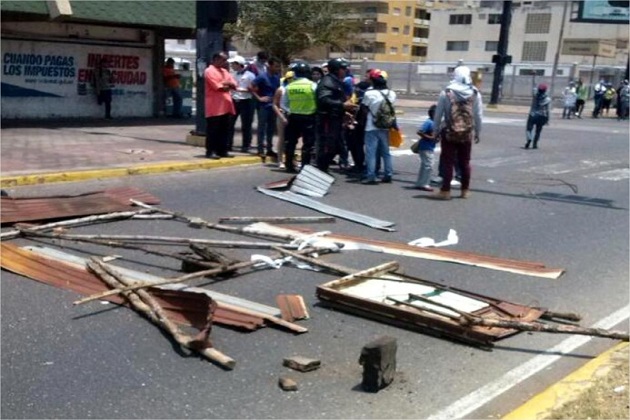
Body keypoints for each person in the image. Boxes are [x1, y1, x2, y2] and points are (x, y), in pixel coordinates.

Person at [431, 66, 483, 200]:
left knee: (448, 161)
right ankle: (465, 190)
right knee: (465, 162)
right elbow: (478, 115)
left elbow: (438, 114)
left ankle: (445, 191)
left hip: (449, 131)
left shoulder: (446, 92)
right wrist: (478, 131)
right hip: (466, 132)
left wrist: (435, 131)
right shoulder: (475, 93)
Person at [315, 57, 357, 173]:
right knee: (326, 147)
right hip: (327, 120)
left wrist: (345, 112)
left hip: (335, 119)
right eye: (343, 68)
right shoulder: (327, 82)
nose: (346, 70)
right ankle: (321, 171)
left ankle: (323, 170)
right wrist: (342, 105)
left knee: (335, 146)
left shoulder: (336, 81)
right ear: (336, 69)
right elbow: (324, 99)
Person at [360, 69, 396, 185]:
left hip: (371, 126)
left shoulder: (369, 94)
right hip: (386, 126)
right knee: (386, 152)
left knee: (371, 152)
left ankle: (371, 176)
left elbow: (363, 109)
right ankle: (388, 174)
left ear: (373, 81)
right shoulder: (392, 94)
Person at [281, 62, 317, 173]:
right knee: (308, 144)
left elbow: (283, 104)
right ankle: (304, 166)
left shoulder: (290, 86)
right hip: (309, 118)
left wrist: (291, 111)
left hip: (293, 117)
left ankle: (289, 165)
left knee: (291, 142)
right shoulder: (313, 85)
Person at [203, 51, 237, 159]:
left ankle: (222, 150)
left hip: (226, 105)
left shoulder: (225, 71)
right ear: (216, 59)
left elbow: (234, 84)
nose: (225, 62)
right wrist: (226, 84)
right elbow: (218, 86)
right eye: (223, 60)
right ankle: (210, 151)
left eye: (225, 60)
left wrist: (227, 84)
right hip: (214, 106)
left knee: (224, 129)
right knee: (213, 130)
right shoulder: (209, 71)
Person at [251, 56, 282, 158]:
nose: (277, 68)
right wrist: (259, 98)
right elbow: (251, 86)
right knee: (262, 127)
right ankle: (260, 149)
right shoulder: (262, 77)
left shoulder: (276, 77)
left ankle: (269, 149)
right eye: (276, 66)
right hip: (264, 106)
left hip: (273, 106)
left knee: (271, 128)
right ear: (270, 66)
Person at [227, 55, 256, 152]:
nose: (232, 66)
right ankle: (228, 144)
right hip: (235, 100)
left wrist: (241, 90)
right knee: (230, 123)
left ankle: (246, 145)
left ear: (239, 64)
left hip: (246, 101)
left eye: (233, 64)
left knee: (246, 125)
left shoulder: (250, 75)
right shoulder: (234, 75)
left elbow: (254, 89)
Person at [272, 70, 295, 169]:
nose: (291, 80)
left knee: (292, 139)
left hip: (294, 115)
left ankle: (291, 159)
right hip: (283, 115)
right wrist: (281, 116)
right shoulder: (281, 89)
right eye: (289, 78)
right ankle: (280, 160)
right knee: (282, 138)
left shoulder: (295, 89)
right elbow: (274, 104)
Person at [413, 104, 438, 191]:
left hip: (429, 147)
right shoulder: (429, 122)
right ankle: (425, 184)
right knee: (429, 166)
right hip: (425, 147)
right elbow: (420, 131)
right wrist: (430, 138)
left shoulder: (433, 122)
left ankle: (420, 183)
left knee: (425, 166)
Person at [525, 83, 551, 150]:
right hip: (542, 116)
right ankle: (535, 144)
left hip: (533, 114)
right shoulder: (547, 99)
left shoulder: (535, 96)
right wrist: (548, 119)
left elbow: (534, 88)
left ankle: (529, 139)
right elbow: (548, 110)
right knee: (538, 130)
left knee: (529, 128)